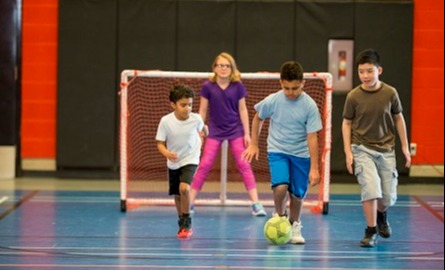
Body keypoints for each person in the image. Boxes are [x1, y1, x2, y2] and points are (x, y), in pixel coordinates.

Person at [242, 61, 322, 244]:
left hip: (301, 154)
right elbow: (258, 117)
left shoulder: (309, 106)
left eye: (295, 88)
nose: (291, 93)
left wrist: (315, 168)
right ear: (281, 83)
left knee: (297, 195)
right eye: (286, 88)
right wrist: (254, 144)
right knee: (280, 188)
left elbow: (312, 138)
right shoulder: (273, 100)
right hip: (277, 151)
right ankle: (280, 218)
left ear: (303, 83)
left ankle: (295, 225)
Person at [342, 49, 411, 248]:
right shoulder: (353, 96)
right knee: (371, 189)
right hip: (362, 148)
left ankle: (382, 215)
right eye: (361, 71)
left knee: (388, 196)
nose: (365, 76)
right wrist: (348, 152)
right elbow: (346, 123)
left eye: (370, 71)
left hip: (386, 150)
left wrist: (405, 148)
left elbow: (399, 118)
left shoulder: (390, 93)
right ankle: (371, 230)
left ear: (379, 70)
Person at [189, 52, 266, 216]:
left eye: (227, 65)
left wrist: (247, 133)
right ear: (214, 68)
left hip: (235, 130)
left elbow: (243, 109)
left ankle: (256, 204)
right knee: (204, 164)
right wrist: (200, 129)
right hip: (214, 130)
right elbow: (202, 110)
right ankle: (189, 202)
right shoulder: (208, 87)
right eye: (220, 65)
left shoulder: (238, 87)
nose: (223, 68)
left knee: (244, 164)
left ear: (232, 68)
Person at [156, 84, 205, 239]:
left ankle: (187, 220)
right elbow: (160, 143)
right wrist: (167, 153)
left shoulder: (196, 118)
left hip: (191, 157)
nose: (187, 108)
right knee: (177, 194)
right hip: (174, 160)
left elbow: (203, 128)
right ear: (173, 105)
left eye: (190, 104)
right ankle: (181, 220)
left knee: (184, 188)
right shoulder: (165, 121)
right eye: (183, 105)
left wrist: (206, 132)